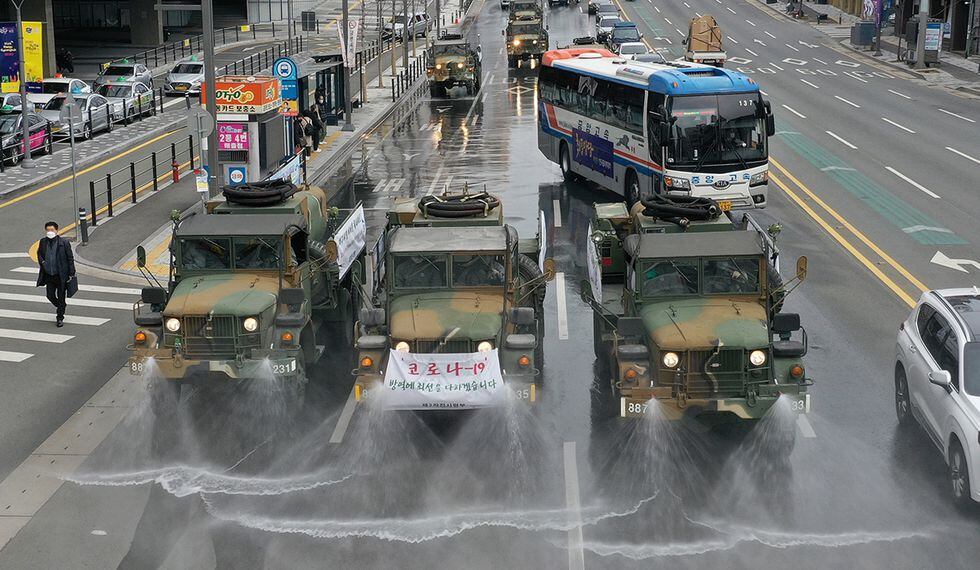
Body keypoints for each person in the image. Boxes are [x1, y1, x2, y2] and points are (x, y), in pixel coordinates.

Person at [35, 221, 75, 327]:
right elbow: (39, 254)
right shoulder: (43, 242)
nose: (50, 232)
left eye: (52, 230)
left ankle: (60, 317)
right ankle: (61, 306)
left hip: (61, 275)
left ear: (57, 230)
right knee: (50, 295)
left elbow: (70, 258)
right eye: (48, 230)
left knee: (61, 296)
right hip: (49, 275)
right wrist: (43, 262)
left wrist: (71, 272)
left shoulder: (64, 243)